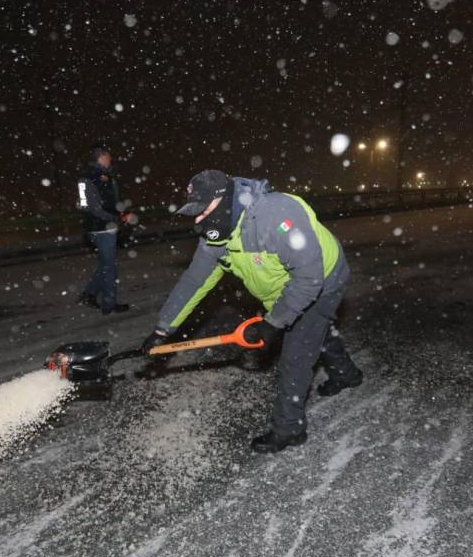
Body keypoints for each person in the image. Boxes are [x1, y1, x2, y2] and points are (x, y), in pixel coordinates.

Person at [141, 170, 363, 454]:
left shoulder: (277, 216)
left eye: (203, 211)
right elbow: (195, 281)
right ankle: (347, 374)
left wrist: (274, 323)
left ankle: (289, 429)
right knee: (313, 335)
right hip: (283, 288)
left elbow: (308, 278)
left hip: (323, 280)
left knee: (296, 355)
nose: (198, 221)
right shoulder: (215, 237)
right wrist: (163, 329)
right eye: (194, 214)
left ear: (225, 202)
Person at [77, 144, 129, 314]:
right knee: (109, 267)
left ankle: (89, 294)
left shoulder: (102, 175)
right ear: (101, 157)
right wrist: (113, 218)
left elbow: (110, 200)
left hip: (103, 226)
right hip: (101, 228)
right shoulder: (90, 177)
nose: (111, 159)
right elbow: (92, 207)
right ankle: (109, 304)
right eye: (108, 156)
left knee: (106, 264)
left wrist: (119, 214)